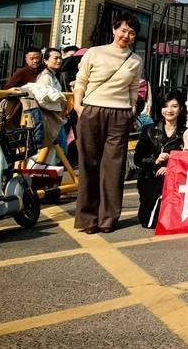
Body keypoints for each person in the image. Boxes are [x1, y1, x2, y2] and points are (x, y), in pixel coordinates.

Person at [72, 12, 144, 234]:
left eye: (131, 33)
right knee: (89, 164)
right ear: (114, 29)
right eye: (123, 30)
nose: (126, 35)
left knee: (114, 167)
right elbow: (81, 81)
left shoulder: (135, 60)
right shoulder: (95, 52)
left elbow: (133, 88)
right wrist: (78, 107)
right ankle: (88, 219)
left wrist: (131, 110)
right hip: (91, 110)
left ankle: (108, 219)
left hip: (120, 115)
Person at [133, 90, 185, 228]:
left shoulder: (186, 133)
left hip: (176, 179)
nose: (169, 110)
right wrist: (155, 160)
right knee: (148, 221)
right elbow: (138, 159)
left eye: (174, 106)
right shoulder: (149, 130)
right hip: (151, 177)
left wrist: (171, 167)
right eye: (165, 106)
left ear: (181, 109)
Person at [32, 48, 67, 148]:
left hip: (54, 118)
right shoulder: (46, 77)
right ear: (46, 61)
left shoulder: (52, 75)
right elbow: (43, 99)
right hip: (50, 119)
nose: (59, 61)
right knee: (60, 150)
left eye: (60, 58)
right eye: (56, 58)